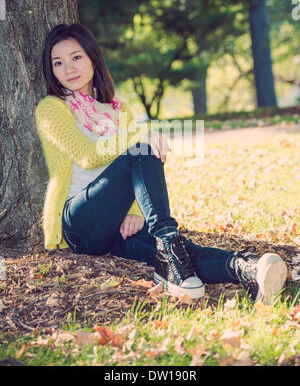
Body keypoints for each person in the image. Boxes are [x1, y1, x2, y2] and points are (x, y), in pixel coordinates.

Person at [35, 23, 288, 303]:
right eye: (58, 63)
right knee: (143, 147)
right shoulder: (52, 108)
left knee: (177, 251)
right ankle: (170, 242)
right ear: (52, 70)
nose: (68, 68)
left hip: (118, 223)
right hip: (80, 223)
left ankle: (249, 268)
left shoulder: (118, 111)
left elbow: (136, 169)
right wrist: (141, 135)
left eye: (76, 57)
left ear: (93, 57)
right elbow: (87, 155)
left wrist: (135, 211)